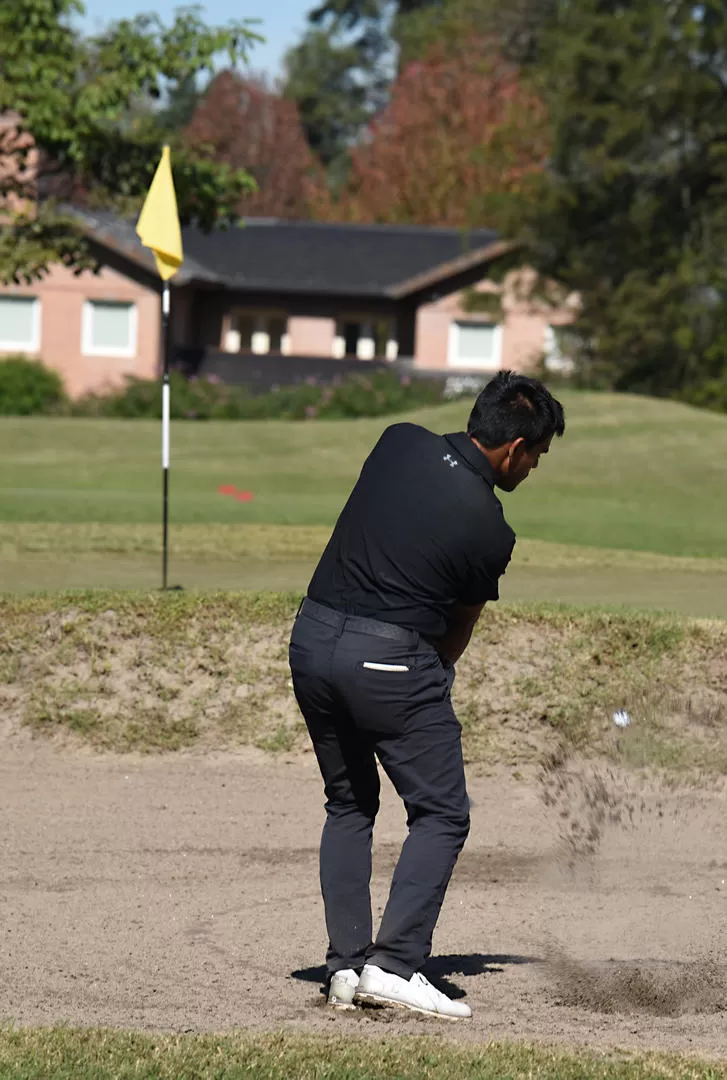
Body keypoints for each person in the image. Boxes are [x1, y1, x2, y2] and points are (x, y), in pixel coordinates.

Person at [288, 371, 565, 1019]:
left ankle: (346, 968)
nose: (532, 469)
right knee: (441, 813)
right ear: (513, 447)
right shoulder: (489, 528)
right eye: (536, 456)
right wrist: (427, 681)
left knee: (349, 803)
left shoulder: (396, 441)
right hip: (389, 660)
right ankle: (394, 963)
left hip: (309, 639)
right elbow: (456, 628)